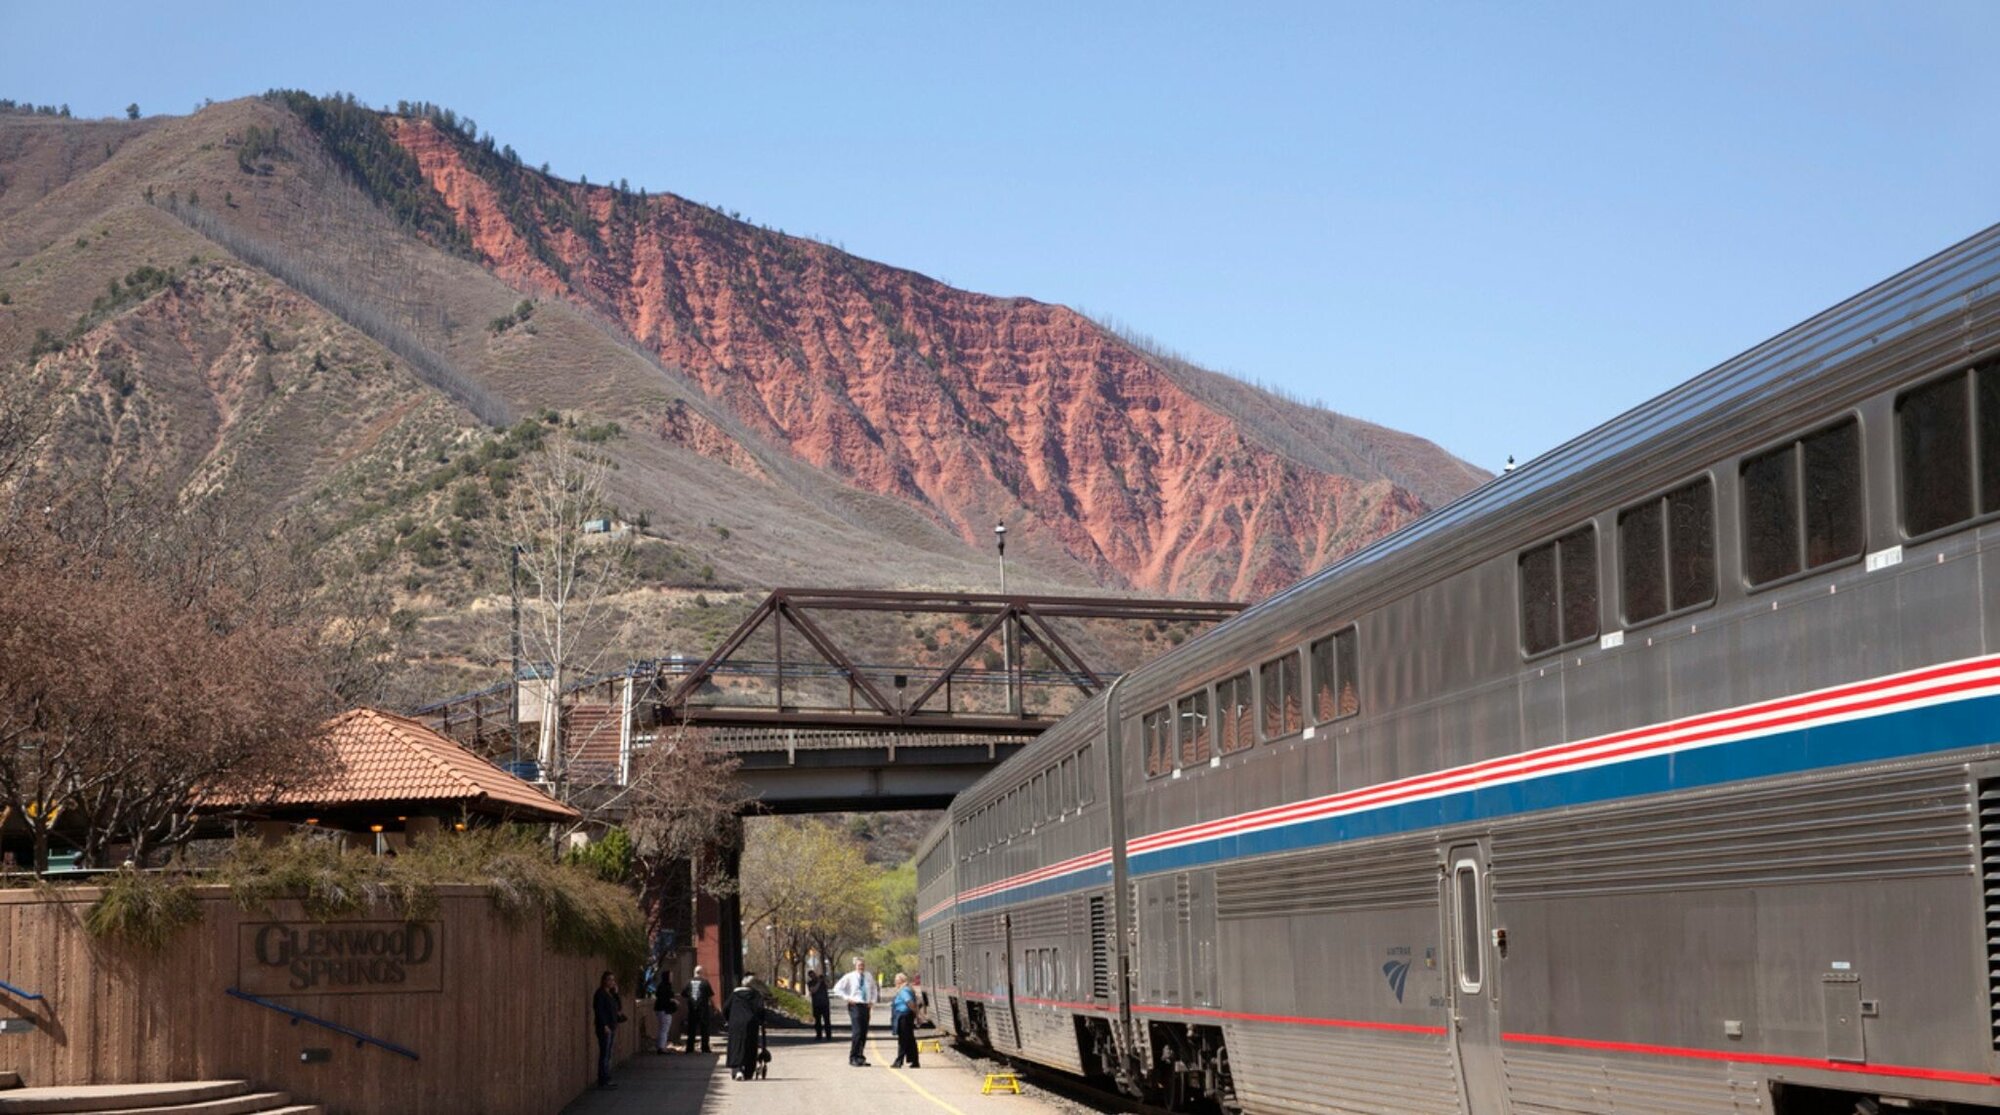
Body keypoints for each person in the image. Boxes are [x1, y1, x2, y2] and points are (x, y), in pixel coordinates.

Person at [831, 955, 877, 1066]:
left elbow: (874, 988)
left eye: (862, 965)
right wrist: (847, 998)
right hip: (855, 1005)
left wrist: (872, 1001)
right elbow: (837, 988)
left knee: (863, 1032)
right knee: (857, 1032)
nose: (861, 967)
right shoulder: (849, 976)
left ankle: (860, 1057)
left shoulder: (868, 976)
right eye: (859, 965)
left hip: (866, 1006)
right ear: (855, 966)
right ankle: (853, 1057)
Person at [722, 975, 766, 1081]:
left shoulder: (735, 994)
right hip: (751, 1023)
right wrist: (762, 1020)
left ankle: (737, 1069)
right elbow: (760, 1009)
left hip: (735, 1023)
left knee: (736, 1045)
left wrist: (728, 1019)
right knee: (750, 1045)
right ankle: (748, 1071)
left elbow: (725, 1008)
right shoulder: (755, 995)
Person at [591, 971, 626, 1089]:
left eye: (613, 980)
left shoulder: (610, 994)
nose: (612, 982)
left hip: (612, 1026)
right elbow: (599, 1010)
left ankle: (607, 1077)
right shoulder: (600, 994)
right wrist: (604, 1025)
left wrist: (616, 994)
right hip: (604, 1028)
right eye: (609, 979)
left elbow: (618, 1007)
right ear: (604, 981)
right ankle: (603, 1079)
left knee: (608, 1053)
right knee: (604, 1054)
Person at [889, 972, 920, 1069]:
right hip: (906, 1016)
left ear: (901, 981)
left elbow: (909, 1002)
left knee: (903, 1040)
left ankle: (899, 1061)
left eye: (896, 981)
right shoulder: (907, 989)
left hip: (903, 1017)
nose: (895, 983)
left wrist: (917, 1014)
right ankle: (915, 1061)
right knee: (910, 1039)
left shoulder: (903, 991)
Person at [682, 965, 716, 1054]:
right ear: (701, 973)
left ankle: (689, 1048)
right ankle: (705, 1048)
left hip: (692, 1009)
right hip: (703, 1009)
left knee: (691, 1029)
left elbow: (684, 994)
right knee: (704, 1029)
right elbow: (710, 996)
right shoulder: (705, 982)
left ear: (694, 972)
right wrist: (714, 1006)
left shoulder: (688, 982)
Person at [651, 972, 678, 1054]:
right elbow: (664, 998)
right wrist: (672, 1000)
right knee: (664, 1029)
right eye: (671, 976)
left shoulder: (665, 986)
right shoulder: (664, 986)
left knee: (663, 1029)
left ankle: (661, 1046)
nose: (672, 978)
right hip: (664, 1010)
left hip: (663, 1010)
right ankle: (661, 1048)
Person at [807, 969, 833, 1041]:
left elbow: (830, 985)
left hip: (825, 1003)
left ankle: (828, 1035)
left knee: (827, 1020)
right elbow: (813, 990)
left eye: (814, 974)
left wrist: (824, 980)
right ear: (810, 976)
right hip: (816, 1004)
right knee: (817, 1021)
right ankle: (819, 1035)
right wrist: (818, 982)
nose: (813, 976)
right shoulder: (810, 983)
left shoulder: (823, 982)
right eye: (811, 975)